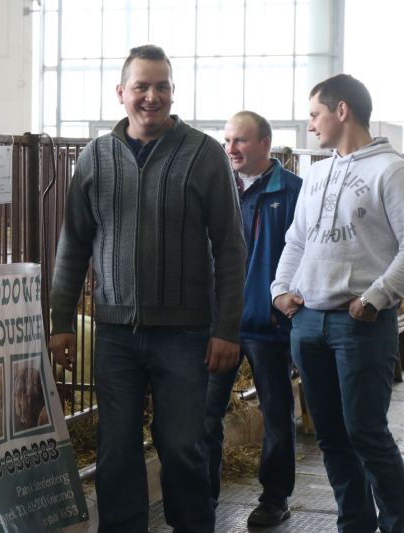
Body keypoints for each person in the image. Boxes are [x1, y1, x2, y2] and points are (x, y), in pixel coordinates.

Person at [48, 44, 246, 533]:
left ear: (173, 93)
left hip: (185, 335)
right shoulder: (95, 156)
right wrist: (61, 322)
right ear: (122, 93)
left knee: (181, 446)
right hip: (115, 333)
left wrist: (227, 329)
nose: (152, 97)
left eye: (162, 87)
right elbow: (74, 242)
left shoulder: (204, 156)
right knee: (116, 451)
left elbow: (230, 248)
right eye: (141, 86)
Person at [271, 73, 404, 533]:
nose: (310, 126)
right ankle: (354, 524)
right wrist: (280, 291)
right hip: (307, 320)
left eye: (314, 114)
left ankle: (399, 525)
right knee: (332, 437)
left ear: (341, 111)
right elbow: (296, 240)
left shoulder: (393, 171)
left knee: (366, 432)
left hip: (358, 322)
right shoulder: (317, 172)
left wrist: (375, 298)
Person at [204, 110, 301, 526]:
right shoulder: (216, 189)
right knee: (205, 415)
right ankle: (203, 497)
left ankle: (275, 499)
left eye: (240, 141)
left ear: (265, 143)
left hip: (269, 328)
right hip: (220, 326)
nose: (231, 149)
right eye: (227, 141)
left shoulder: (294, 192)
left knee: (277, 416)